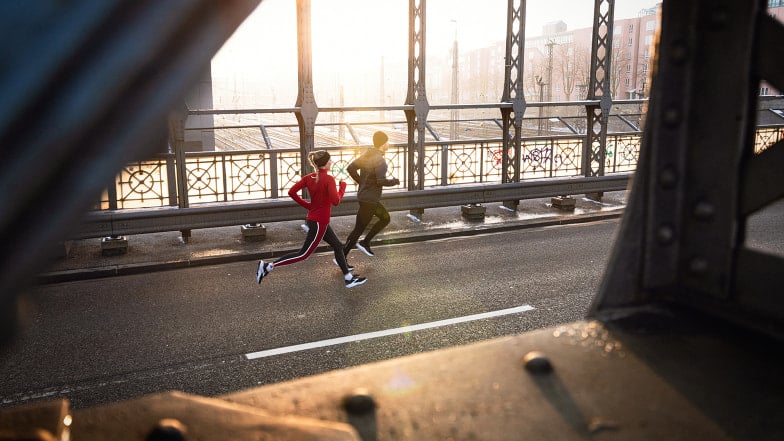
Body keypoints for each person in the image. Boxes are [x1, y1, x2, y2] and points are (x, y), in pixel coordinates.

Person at [256, 150, 367, 288]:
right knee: (303, 254)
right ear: (325, 163)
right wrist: (342, 188)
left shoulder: (309, 178)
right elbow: (336, 201)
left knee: (338, 246)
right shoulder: (329, 179)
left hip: (316, 221)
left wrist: (309, 206)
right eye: (330, 160)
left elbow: (291, 192)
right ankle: (268, 266)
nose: (331, 162)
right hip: (319, 223)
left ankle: (348, 278)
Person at [342, 130, 400, 259]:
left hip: (365, 196)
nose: (388, 144)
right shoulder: (380, 161)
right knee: (359, 229)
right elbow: (381, 181)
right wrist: (394, 181)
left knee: (385, 218)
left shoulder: (367, 155)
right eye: (387, 142)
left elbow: (350, 168)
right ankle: (343, 255)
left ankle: (365, 243)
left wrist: (361, 182)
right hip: (370, 200)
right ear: (383, 144)